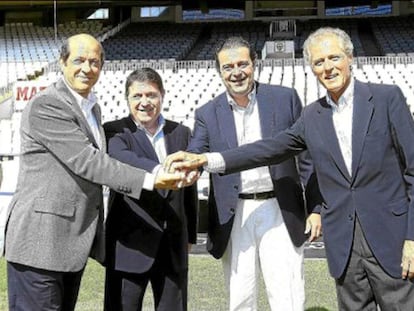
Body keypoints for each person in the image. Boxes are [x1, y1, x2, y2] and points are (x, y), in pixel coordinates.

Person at [165, 27, 414, 310]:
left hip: (387, 234)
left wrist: (412, 237)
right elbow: (268, 149)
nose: (328, 67)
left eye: (334, 58)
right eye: (319, 62)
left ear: (350, 57)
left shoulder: (386, 99)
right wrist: (206, 160)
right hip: (342, 242)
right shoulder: (312, 115)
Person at [4, 34, 186, 311]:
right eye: (78, 60)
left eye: (94, 62)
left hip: (68, 245)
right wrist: (152, 179)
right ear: (62, 62)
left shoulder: (91, 108)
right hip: (39, 244)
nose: (87, 68)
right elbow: (89, 162)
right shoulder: (48, 104)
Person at [183, 36, 321, 311]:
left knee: (288, 295)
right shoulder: (206, 113)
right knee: (240, 298)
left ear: (254, 63)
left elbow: (308, 159)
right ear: (219, 71)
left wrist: (315, 208)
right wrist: (184, 165)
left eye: (242, 64)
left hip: (280, 208)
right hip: (235, 214)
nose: (236, 72)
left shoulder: (285, 98)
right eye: (228, 67)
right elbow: (195, 153)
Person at [103, 68, 198, 311]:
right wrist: (159, 174)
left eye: (151, 95)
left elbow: (189, 191)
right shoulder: (115, 131)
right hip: (129, 244)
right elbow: (122, 159)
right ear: (127, 99)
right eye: (137, 96)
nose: (145, 102)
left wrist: (191, 234)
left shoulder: (181, 132)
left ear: (162, 96)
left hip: (173, 244)